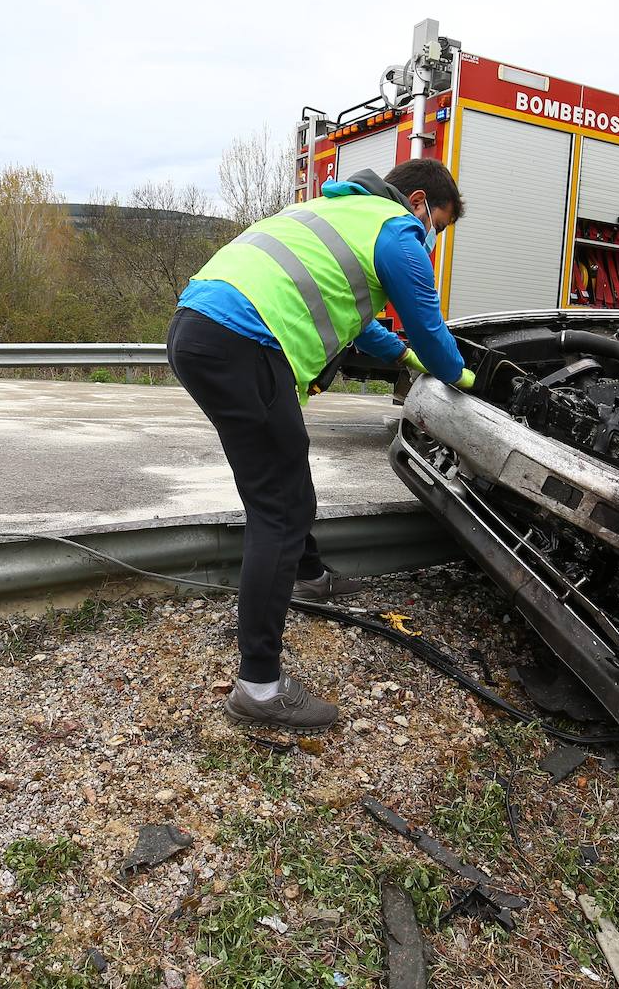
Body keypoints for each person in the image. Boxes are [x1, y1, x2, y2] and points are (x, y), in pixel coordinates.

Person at [167, 159, 475, 733]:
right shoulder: (397, 230)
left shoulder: (336, 210)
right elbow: (431, 329)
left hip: (198, 329)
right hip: (242, 343)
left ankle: (306, 574)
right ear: (417, 203)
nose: (434, 236)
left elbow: (361, 324)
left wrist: (400, 356)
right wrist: (457, 375)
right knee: (278, 509)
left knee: (285, 481)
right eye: (440, 222)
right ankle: (259, 686)